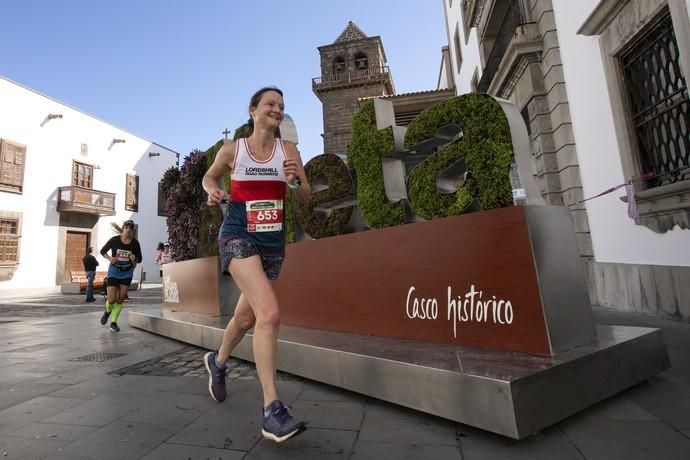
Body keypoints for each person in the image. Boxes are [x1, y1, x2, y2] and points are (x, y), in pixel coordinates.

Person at [202, 86, 311, 443]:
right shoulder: (234, 150)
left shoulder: (288, 150)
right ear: (252, 110)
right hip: (237, 236)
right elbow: (210, 176)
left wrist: (296, 181)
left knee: (246, 318)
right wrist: (213, 190)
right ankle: (272, 409)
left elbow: (306, 196)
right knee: (270, 315)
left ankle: (218, 362)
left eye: (281, 106)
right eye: (270, 104)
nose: (277, 109)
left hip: (272, 246)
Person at [99, 219, 142, 332]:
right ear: (123, 229)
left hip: (127, 272)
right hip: (114, 271)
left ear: (133, 231)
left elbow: (140, 259)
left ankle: (113, 322)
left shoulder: (135, 243)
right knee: (111, 299)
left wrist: (134, 259)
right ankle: (107, 312)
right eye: (126, 228)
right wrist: (110, 258)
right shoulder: (115, 240)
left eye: (130, 228)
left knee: (121, 299)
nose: (128, 230)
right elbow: (103, 251)